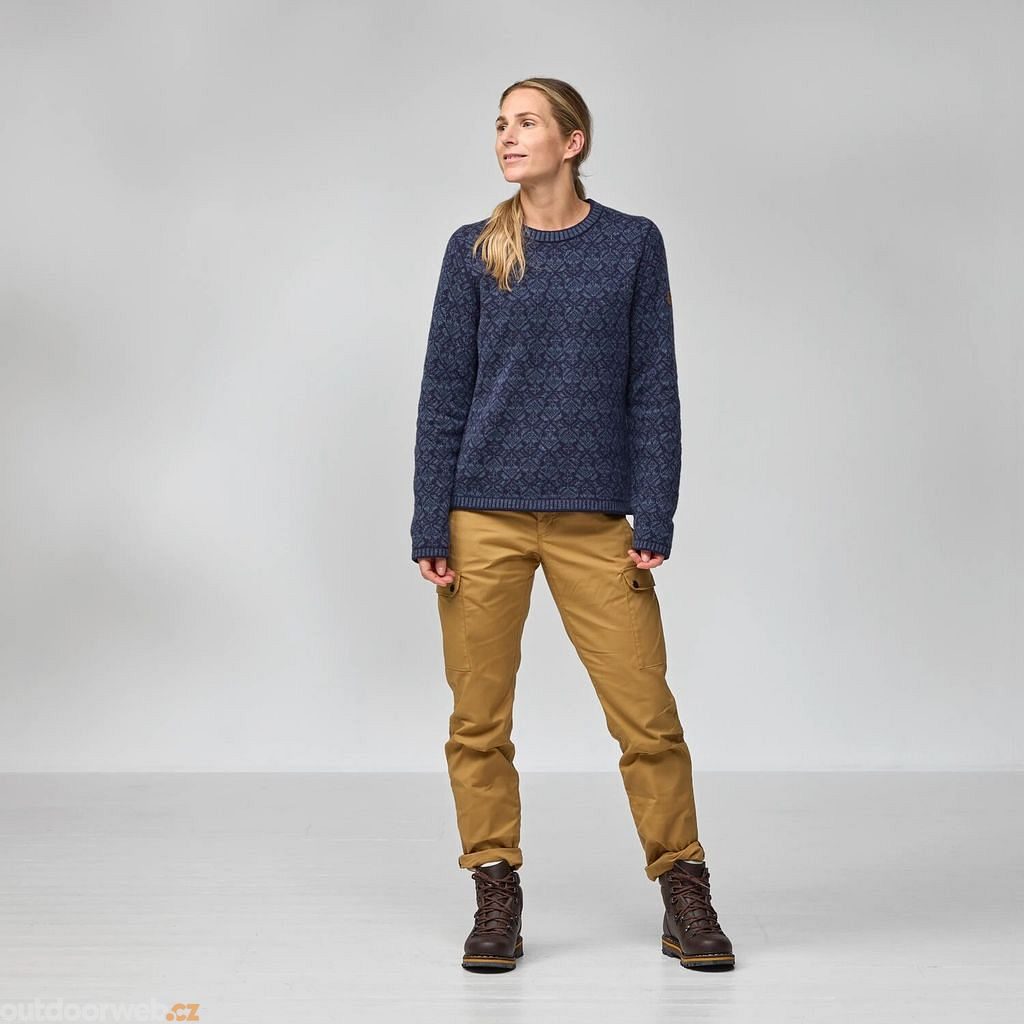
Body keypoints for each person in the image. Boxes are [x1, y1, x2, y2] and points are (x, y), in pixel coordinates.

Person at [410, 77, 735, 973]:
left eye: (526, 123)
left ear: (573, 140)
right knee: (478, 721)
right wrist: (430, 521)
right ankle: (495, 889)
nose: (507, 138)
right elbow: (444, 392)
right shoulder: (475, 249)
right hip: (483, 517)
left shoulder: (631, 244)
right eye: (500, 125)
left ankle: (684, 887)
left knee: (647, 717)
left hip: (596, 520)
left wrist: (655, 505)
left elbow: (653, 385)